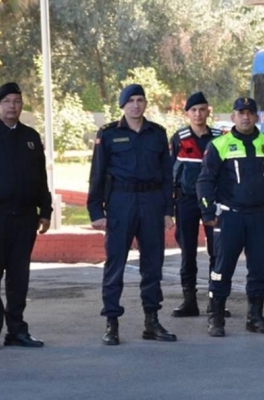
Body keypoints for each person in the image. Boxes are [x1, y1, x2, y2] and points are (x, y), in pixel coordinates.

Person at [88, 84, 177, 345]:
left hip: (151, 202)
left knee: (152, 266)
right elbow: (97, 174)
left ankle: (152, 321)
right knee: (115, 265)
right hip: (121, 202)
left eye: (140, 100)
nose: (136, 105)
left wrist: (168, 210)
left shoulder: (157, 134)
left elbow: (166, 176)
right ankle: (112, 323)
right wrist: (96, 210)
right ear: (122, 105)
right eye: (131, 101)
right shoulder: (108, 134)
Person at [0, 82, 52, 350]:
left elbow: (40, 178)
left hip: (25, 218)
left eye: (16, 101)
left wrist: (45, 210)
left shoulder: (30, 137)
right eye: (7, 102)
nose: (12, 106)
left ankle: (16, 329)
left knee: (19, 276)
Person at [197, 97, 264, 337]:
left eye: (250, 112)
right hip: (230, 218)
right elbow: (205, 180)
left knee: (259, 269)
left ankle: (255, 317)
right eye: (241, 112)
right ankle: (215, 317)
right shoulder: (219, 144)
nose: (246, 116)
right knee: (222, 268)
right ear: (233, 116)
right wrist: (207, 211)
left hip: (260, 217)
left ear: (256, 116)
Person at [169, 92, 227, 318]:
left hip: (214, 202)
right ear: (187, 113)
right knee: (188, 253)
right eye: (193, 110)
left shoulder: (219, 137)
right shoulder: (179, 138)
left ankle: (216, 300)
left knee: (218, 252)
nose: (198, 114)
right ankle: (189, 301)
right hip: (186, 201)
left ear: (208, 111)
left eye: (202, 109)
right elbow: (169, 171)